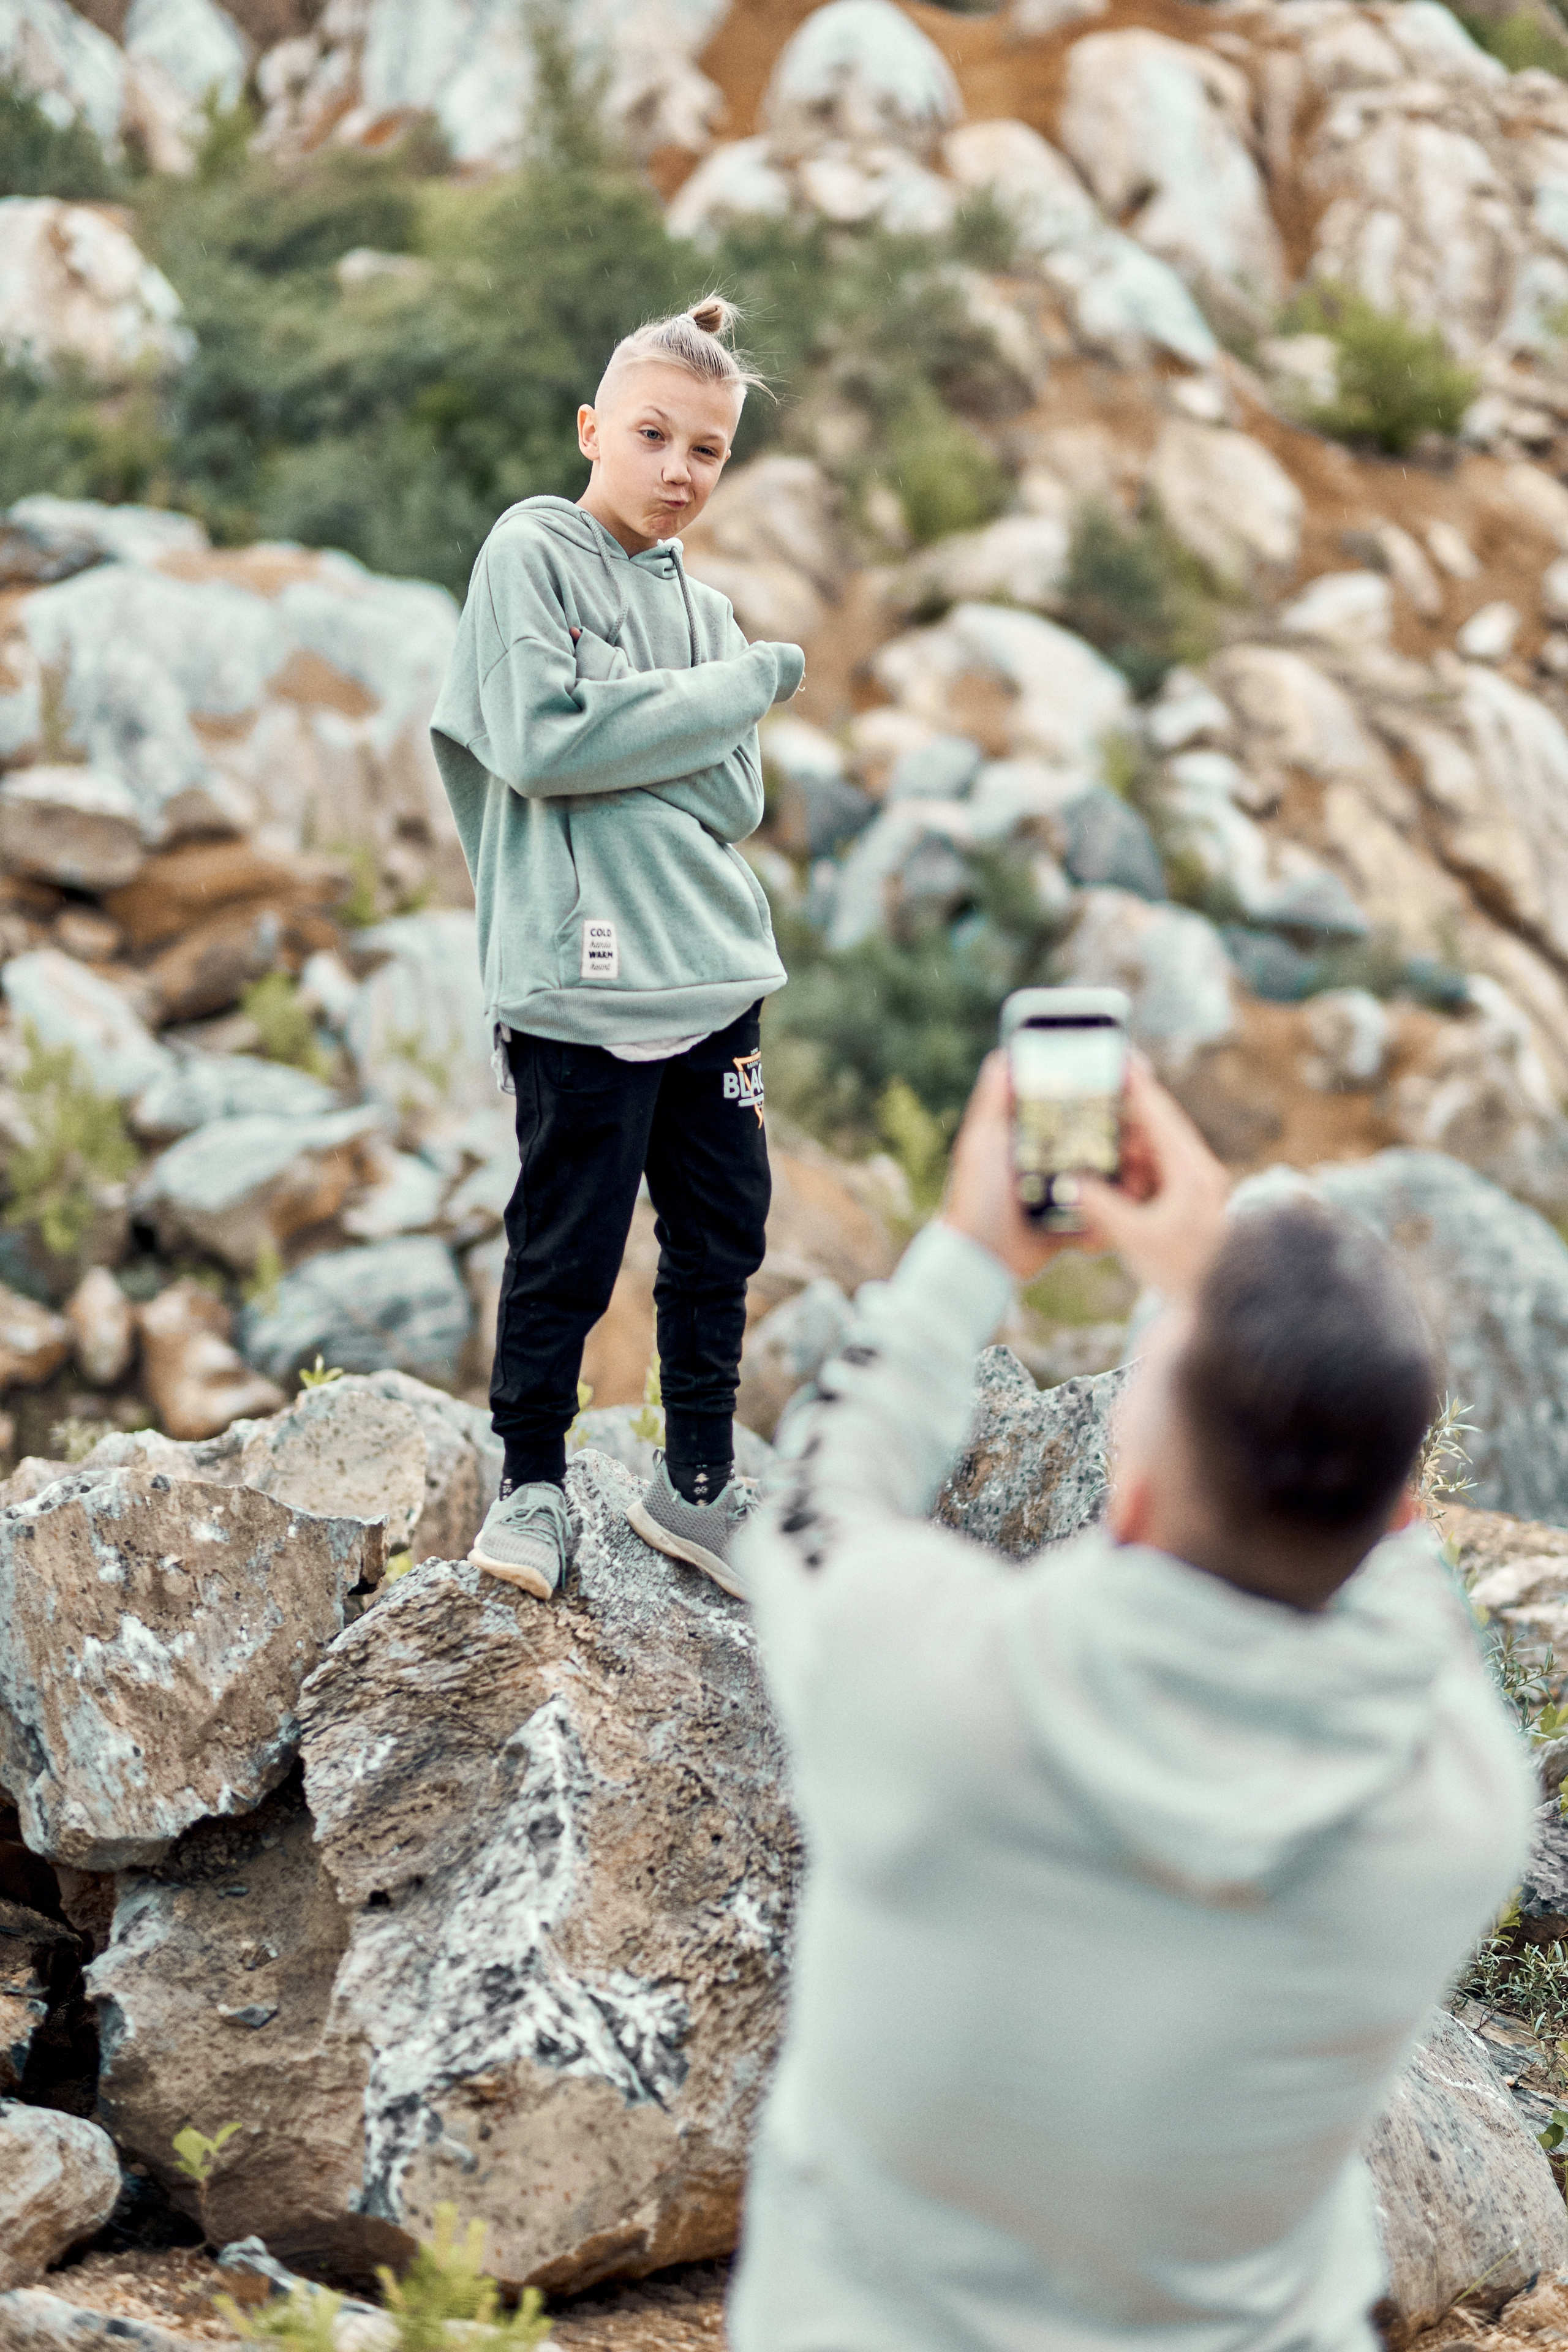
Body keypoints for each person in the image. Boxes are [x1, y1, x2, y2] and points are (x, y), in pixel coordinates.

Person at [729, 1052, 1534, 2352]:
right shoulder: (1450, 1809)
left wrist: (967, 1252)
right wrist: (1218, 1285)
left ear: (1136, 1495)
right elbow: (1404, 1575)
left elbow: (824, 1490)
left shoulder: (925, 1682)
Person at [429, 296, 803, 1602]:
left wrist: (619, 726)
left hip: (714, 972)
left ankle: (694, 1485)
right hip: (577, 983)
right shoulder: (530, 553)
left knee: (721, 1237)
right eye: (653, 435)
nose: (678, 471)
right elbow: (540, 745)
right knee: (567, 1248)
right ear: (593, 428)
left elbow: (736, 799)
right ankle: (531, 1486)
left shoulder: (706, 608)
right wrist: (739, 688)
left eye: (707, 450)